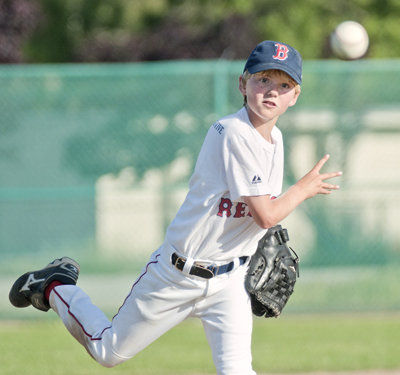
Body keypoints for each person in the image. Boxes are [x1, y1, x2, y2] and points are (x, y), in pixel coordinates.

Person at [9, 40, 342, 375]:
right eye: (263, 80)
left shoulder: (275, 139)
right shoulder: (232, 132)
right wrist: (303, 189)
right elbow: (266, 213)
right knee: (107, 350)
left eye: (284, 85)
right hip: (177, 274)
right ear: (243, 84)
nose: (272, 91)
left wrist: (263, 238)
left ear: (295, 96)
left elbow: (263, 209)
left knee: (238, 370)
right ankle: (56, 284)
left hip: (229, 280)